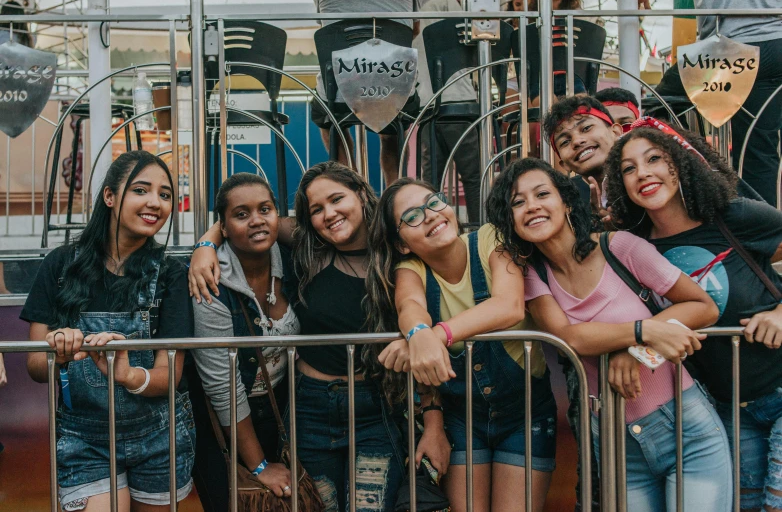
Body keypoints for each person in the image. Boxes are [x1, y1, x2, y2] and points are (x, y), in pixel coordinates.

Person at [188, 162, 445, 512]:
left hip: (373, 408)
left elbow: (422, 341)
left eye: (337, 199)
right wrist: (205, 244)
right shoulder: (310, 248)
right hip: (310, 410)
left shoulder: (394, 252)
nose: (330, 214)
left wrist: (433, 422)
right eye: (317, 210)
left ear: (361, 193)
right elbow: (248, 221)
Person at [486, 157, 731, 512]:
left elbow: (702, 306)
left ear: (567, 202)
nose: (532, 206)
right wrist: (639, 330)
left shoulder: (619, 247)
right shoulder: (530, 277)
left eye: (542, 194)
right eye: (517, 202)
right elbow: (571, 338)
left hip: (684, 427)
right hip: (615, 439)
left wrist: (633, 349)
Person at [605, 121, 782, 512]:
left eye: (654, 159)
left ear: (680, 164)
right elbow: (656, 325)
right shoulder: (634, 247)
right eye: (629, 168)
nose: (643, 173)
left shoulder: (731, 216)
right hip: (728, 406)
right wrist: (630, 347)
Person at [368, 178, 557, 512]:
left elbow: (509, 306)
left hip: (525, 414)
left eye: (434, 202)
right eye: (412, 215)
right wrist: (416, 334)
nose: (429, 215)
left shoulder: (490, 238)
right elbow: (409, 306)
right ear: (401, 244)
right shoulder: (410, 268)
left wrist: (429, 337)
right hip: (461, 419)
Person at [22, 150, 195, 512]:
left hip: (158, 434)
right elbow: (36, 366)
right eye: (141, 190)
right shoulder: (59, 265)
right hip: (85, 438)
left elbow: (172, 376)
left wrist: (129, 374)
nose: (155, 203)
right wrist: (59, 352)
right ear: (110, 197)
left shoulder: (170, 274)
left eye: (165, 194)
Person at [188, 173, 295, 510]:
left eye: (265, 209)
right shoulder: (210, 280)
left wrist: (206, 239)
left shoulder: (294, 258)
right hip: (225, 426)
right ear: (224, 225)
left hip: (285, 410)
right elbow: (223, 385)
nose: (257, 221)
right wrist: (259, 465)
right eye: (241, 214)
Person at [543, 95, 764, 220]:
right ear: (562, 162)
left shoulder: (674, 168)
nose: (578, 141)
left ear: (617, 131)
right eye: (564, 141)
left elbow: (758, 225)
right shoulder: (565, 200)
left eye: (586, 128)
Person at [654, 0, 782, 206]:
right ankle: (764, 231)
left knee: (658, 103)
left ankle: (696, 171)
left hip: (730, 46)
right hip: (776, 41)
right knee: (759, 149)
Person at [310, 0, 422, 186]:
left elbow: (326, 31)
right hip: (395, 89)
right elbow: (413, 30)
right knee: (393, 131)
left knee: (329, 121)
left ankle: (352, 187)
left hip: (337, 91)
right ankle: (394, 195)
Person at [415, 0, 481, 224]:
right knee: (474, 177)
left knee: (431, 181)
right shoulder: (446, 2)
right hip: (458, 99)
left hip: (426, 104)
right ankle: (479, 230)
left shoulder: (411, 8)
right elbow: (471, 44)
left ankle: (434, 226)